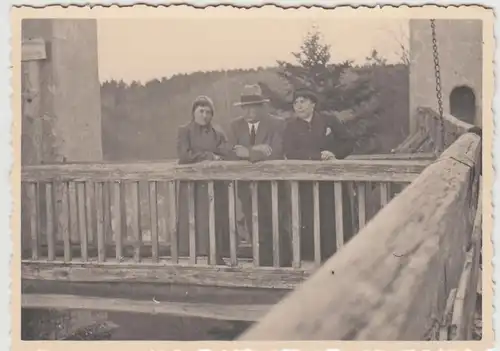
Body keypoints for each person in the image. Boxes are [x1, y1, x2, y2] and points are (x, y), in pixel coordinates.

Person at [283, 87, 356, 262]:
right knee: (309, 220)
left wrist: (334, 154)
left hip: (331, 183)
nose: (298, 106)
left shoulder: (329, 120)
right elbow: (289, 151)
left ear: (313, 104)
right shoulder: (291, 126)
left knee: (335, 218)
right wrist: (315, 157)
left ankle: (339, 258)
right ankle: (312, 260)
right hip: (306, 183)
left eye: (303, 101)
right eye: (295, 103)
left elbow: (348, 142)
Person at [227, 84, 292, 267]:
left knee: (278, 224)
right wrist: (255, 151)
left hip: (273, 184)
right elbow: (229, 152)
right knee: (253, 224)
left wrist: (246, 152)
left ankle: (283, 266)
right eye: (245, 107)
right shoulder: (235, 126)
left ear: (261, 106)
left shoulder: (277, 123)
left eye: (253, 106)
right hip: (247, 186)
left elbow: (276, 151)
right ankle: (261, 265)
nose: (248, 111)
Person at [176, 95, 234, 264]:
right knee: (195, 219)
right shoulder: (185, 131)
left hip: (215, 183)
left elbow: (226, 150)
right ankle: (194, 255)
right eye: (201, 111)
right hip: (193, 184)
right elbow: (184, 155)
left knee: (216, 219)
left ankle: (215, 255)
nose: (204, 115)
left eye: (208, 112)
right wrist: (208, 156)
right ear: (194, 112)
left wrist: (219, 157)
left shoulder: (217, 132)